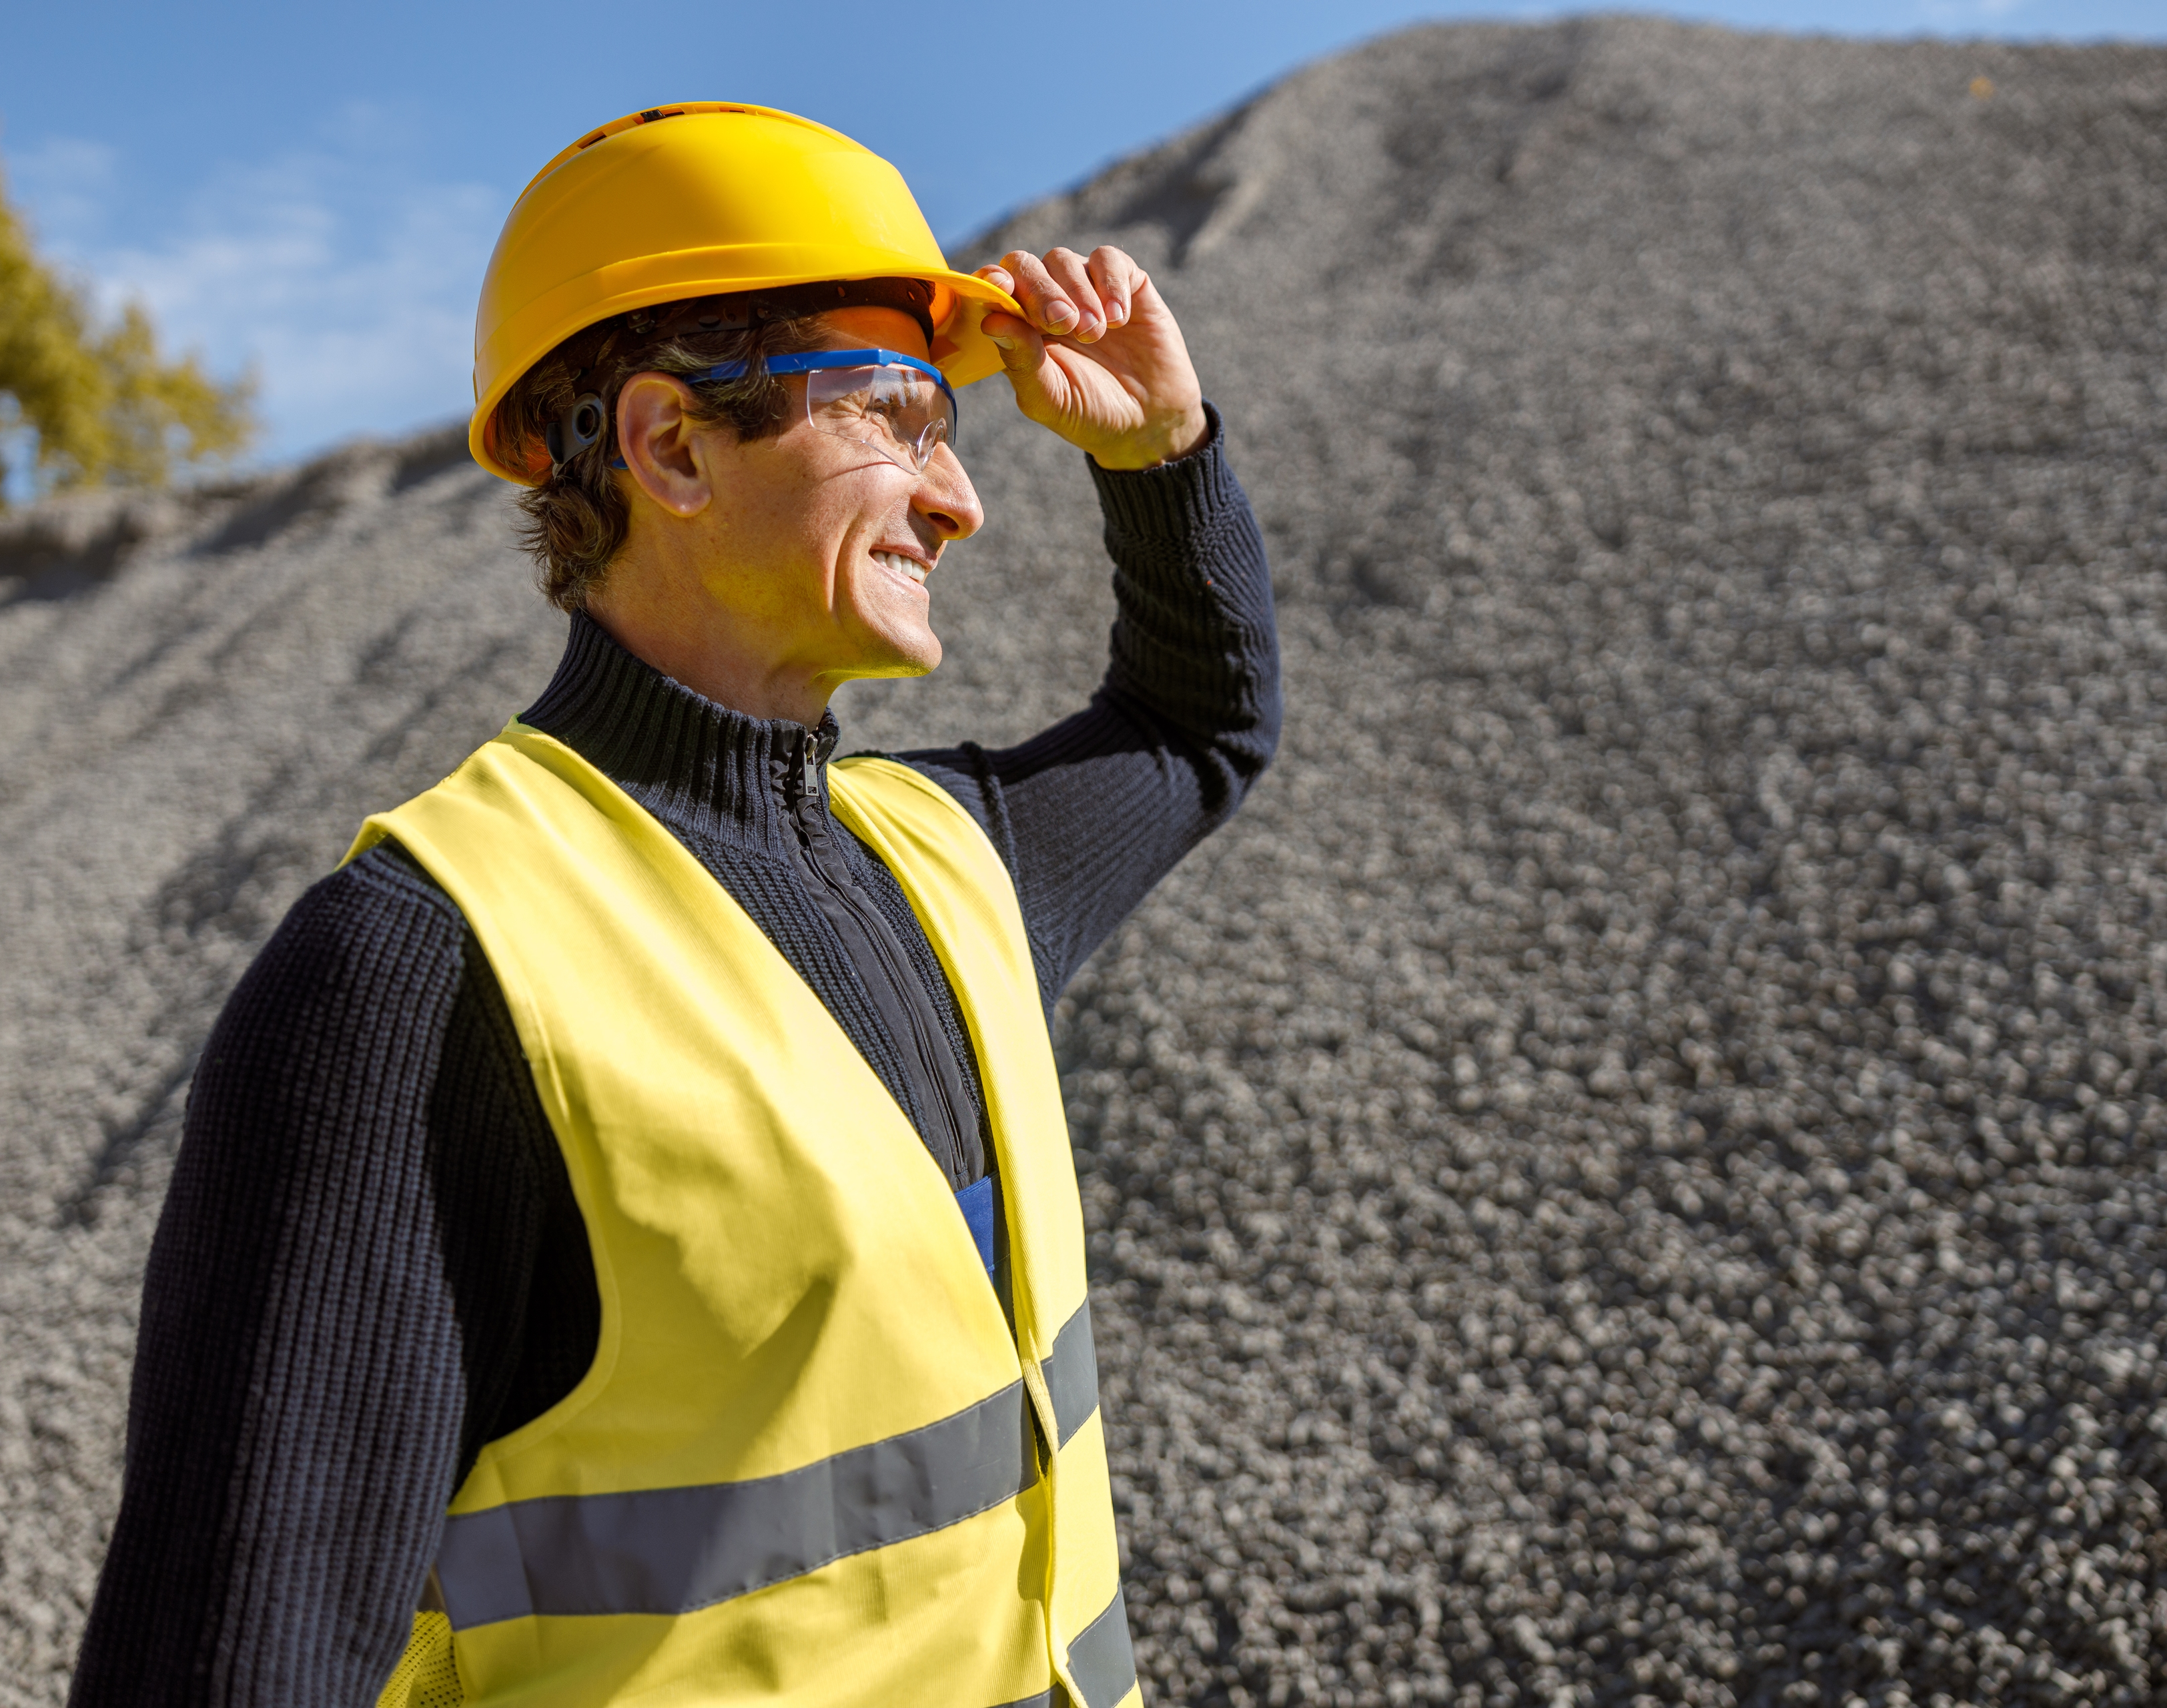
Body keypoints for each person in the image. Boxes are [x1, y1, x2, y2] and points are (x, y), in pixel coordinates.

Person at [69, 103, 1278, 1707]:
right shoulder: (419, 974)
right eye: (903, 417)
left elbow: (1202, 724)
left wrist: (1161, 455)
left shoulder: (947, 857)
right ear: (672, 445)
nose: (960, 499)